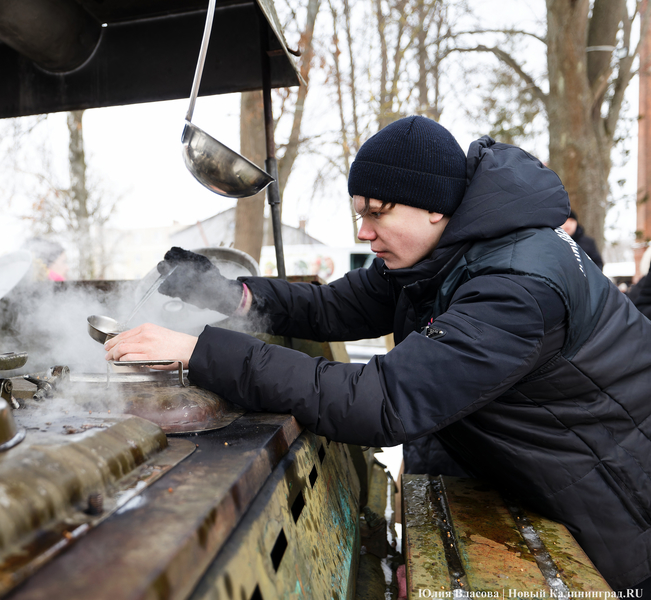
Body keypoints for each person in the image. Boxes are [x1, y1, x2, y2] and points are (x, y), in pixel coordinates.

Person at [104, 116, 651, 591]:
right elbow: (328, 308)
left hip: (620, 513)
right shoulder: (435, 257)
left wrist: (199, 352)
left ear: (436, 207)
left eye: (378, 212)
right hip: (548, 486)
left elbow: (382, 401)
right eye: (359, 213)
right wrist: (230, 294)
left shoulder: (517, 284)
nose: (364, 232)